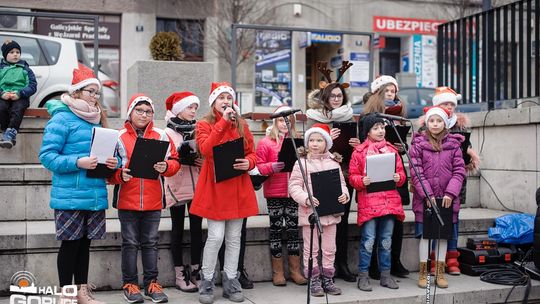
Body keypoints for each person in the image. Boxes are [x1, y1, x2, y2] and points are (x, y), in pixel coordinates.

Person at [39, 66, 114, 304]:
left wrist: (114, 161)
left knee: (84, 245)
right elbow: (47, 156)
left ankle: (82, 292)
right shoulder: (62, 118)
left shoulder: (97, 119)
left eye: (97, 93)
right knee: (70, 245)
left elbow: (109, 153)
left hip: (93, 192)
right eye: (90, 91)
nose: (94, 97)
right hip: (70, 194)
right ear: (77, 92)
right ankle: (66, 294)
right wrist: (77, 161)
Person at [190, 82, 259, 304]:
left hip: (237, 186)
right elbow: (206, 150)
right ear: (213, 103)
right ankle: (207, 280)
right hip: (215, 188)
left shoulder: (241, 124)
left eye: (229, 98)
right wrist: (222, 123)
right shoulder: (203, 124)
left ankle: (231, 280)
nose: (226, 102)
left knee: (233, 238)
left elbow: (252, 153)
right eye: (221, 98)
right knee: (216, 236)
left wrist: (247, 163)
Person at [108, 93, 180, 303]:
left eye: (148, 111)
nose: (144, 115)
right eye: (139, 110)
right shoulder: (118, 136)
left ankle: (151, 284)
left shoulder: (161, 135)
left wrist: (166, 167)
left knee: (150, 243)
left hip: (153, 199)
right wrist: (119, 175)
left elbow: (174, 162)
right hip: (127, 199)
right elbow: (109, 170)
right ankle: (130, 285)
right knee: (130, 243)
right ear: (130, 112)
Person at [305, 60, 358, 282]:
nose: (336, 99)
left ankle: (341, 263)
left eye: (339, 96)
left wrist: (358, 144)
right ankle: (319, 266)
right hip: (322, 174)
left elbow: (362, 148)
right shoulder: (315, 119)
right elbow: (309, 147)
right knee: (322, 222)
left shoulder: (350, 117)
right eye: (332, 96)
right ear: (325, 98)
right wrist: (328, 140)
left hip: (345, 175)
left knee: (342, 222)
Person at [421, 87, 480, 275]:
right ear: (437, 105)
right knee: (433, 221)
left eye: (452, 104)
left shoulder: (460, 125)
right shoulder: (429, 124)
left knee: (453, 219)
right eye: (445, 103)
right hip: (433, 181)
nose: (449, 107)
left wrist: (468, 157)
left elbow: (467, 150)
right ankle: (433, 259)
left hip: (454, 181)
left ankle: (451, 258)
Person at [289, 123, 349, 297]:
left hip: (332, 212)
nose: (315, 144)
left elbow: (342, 184)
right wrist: (306, 199)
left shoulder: (334, 162)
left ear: (327, 143)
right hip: (311, 215)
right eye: (312, 140)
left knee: (330, 248)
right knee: (311, 248)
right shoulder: (302, 163)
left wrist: (344, 195)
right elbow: (294, 187)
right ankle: (314, 278)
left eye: (319, 140)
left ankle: (327, 277)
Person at [409, 106, 466, 289]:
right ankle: (424, 272)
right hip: (426, 199)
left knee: (442, 236)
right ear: (426, 123)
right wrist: (428, 194)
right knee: (426, 237)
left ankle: (440, 272)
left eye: (439, 121)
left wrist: (450, 193)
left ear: (445, 123)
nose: (435, 124)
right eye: (431, 120)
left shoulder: (454, 145)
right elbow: (416, 171)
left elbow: (459, 171)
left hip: (447, 199)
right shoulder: (418, 145)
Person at [360, 75, 410, 279]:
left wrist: (402, 147)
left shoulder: (399, 116)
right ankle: (372, 266)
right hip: (374, 175)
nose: (391, 94)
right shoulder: (367, 117)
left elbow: (404, 145)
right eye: (387, 91)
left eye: (394, 91)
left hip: (394, 172)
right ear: (378, 93)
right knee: (374, 222)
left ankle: (394, 262)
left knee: (395, 220)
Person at [349, 113, 406, 291]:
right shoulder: (359, 152)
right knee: (368, 241)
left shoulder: (392, 150)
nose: (381, 131)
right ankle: (363, 276)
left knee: (386, 241)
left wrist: (399, 177)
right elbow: (352, 177)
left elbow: (402, 175)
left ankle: (385, 276)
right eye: (376, 128)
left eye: (382, 127)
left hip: (389, 202)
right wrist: (361, 181)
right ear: (367, 131)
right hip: (370, 204)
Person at [255, 105, 307, 286]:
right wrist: (272, 167)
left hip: (294, 192)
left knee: (293, 230)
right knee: (276, 230)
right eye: (280, 120)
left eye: (288, 120)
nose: (285, 124)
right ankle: (278, 272)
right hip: (274, 192)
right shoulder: (265, 142)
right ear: (275, 122)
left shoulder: (297, 140)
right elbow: (259, 167)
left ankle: (295, 270)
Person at [163, 91, 203, 292]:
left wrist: (201, 160)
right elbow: (165, 158)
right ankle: (179, 273)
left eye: (195, 107)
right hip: (177, 185)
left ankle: (196, 271)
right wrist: (179, 158)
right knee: (177, 230)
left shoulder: (199, 129)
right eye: (190, 107)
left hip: (197, 184)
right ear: (179, 109)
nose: (194, 110)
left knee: (197, 230)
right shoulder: (167, 132)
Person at [0, 39, 37, 148]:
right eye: (11, 52)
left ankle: (11, 132)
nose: (15, 54)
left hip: (20, 96)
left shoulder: (25, 69)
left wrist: (20, 93)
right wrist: (2, 94)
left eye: (17, 52)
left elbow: (32, 85)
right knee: (1, 107)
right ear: (5, 54)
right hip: (3, 95)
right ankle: (6, 131)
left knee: (18, 108)